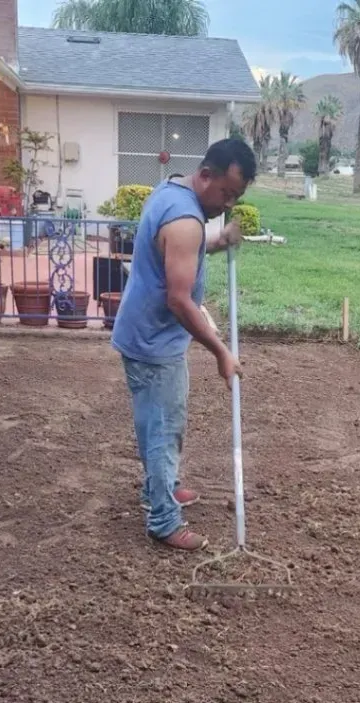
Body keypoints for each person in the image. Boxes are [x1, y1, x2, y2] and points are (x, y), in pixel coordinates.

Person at [112, 139, 256, 551]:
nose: (227, 203)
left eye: (237, 197)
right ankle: (162, 519)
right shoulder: (186, 220)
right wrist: (221, 351)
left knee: (163, 425)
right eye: (226, 193)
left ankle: (164, 487)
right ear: (206, 175)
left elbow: (175, 250)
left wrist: (216, 241)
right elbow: (179, 299)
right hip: (154, 342)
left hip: (147, 334)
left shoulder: (171, 190)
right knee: (161, 430)